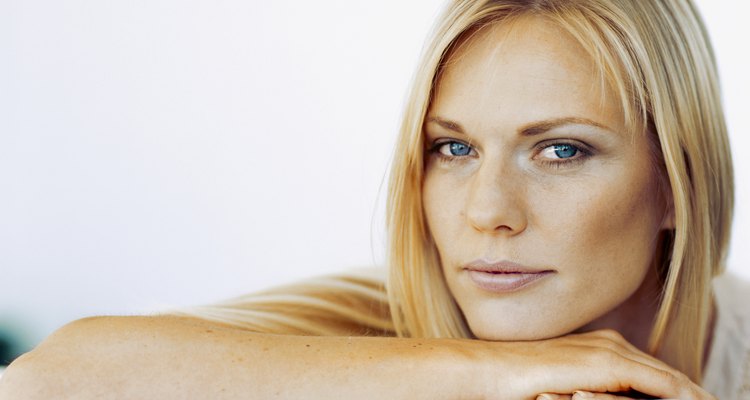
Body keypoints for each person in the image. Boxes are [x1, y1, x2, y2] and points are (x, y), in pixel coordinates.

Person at [1, 0, 748, 398]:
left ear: (677, 182)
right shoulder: (381, 323)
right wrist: (483, 374)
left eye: (560, 151)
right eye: (453, 148)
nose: (486, 212)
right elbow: (44, 383)